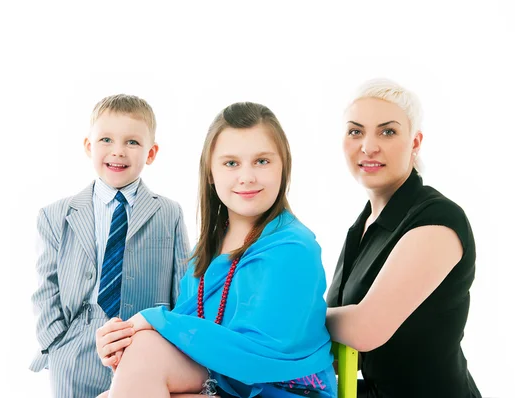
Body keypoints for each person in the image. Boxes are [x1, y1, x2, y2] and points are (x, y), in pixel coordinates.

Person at [95, 102, 337, 398]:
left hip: (282, 388)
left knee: (141, 359)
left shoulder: (294, 248)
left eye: (262, 161)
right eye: (231, 163)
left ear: (283, 166)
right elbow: (184, 336)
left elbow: (260, 356)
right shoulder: (206, 250)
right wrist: (123, 340)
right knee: (128, 372)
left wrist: (153, 321)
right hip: (224, 381)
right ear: (211, 173)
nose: (246, 176)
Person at [325, 79, 482, 397]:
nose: (368, 146)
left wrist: (283, 314)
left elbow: (363, 329)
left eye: (387, 131)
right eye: (356, 131)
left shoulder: (438, 220)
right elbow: (328, 332)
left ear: (415, 142)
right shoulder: (362, 227)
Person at [29, 94, 190, 398]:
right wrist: (56, 345)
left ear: (151, 153)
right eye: (106, 139)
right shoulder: (55, 215)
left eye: (132, 142)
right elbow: (46, 287)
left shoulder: (168, 212)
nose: (118, 151)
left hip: (144, 347)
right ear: (89, 146)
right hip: (77, 352)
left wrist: (175, 345)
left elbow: (182, 287)